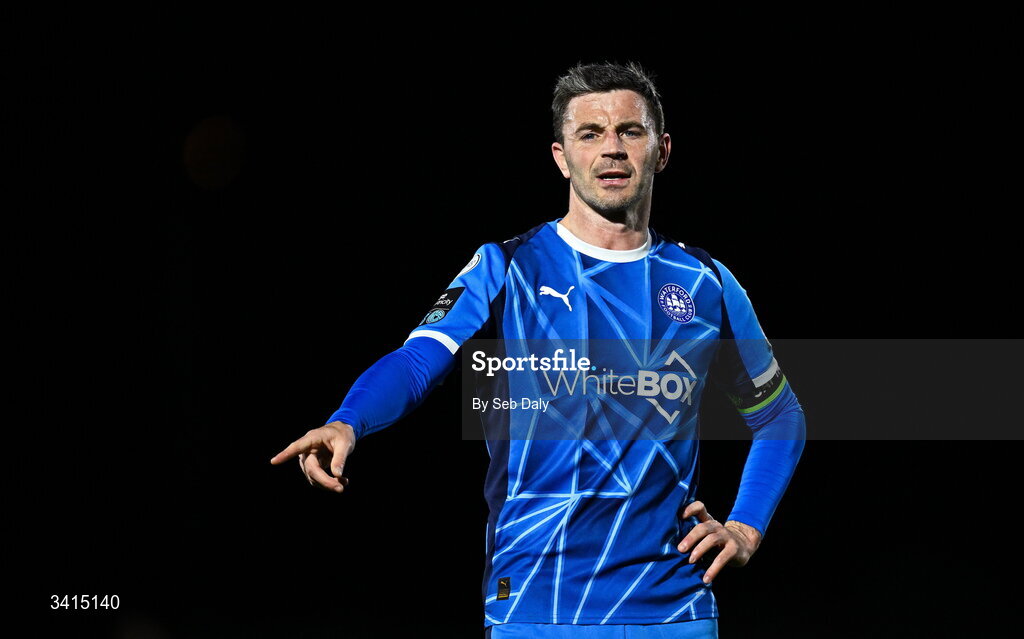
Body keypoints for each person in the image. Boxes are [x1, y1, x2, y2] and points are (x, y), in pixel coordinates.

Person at [271, 61, 806, 638]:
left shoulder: (706, 283)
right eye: (590, 133)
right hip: (535, 603)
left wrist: (746, 528)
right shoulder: (506, 266)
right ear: (561, 156)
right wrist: (350, 421)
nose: (612, 150)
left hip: (672, 608)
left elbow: (779, 415)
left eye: (630, 131)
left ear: (662, 150)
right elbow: (418, 359)